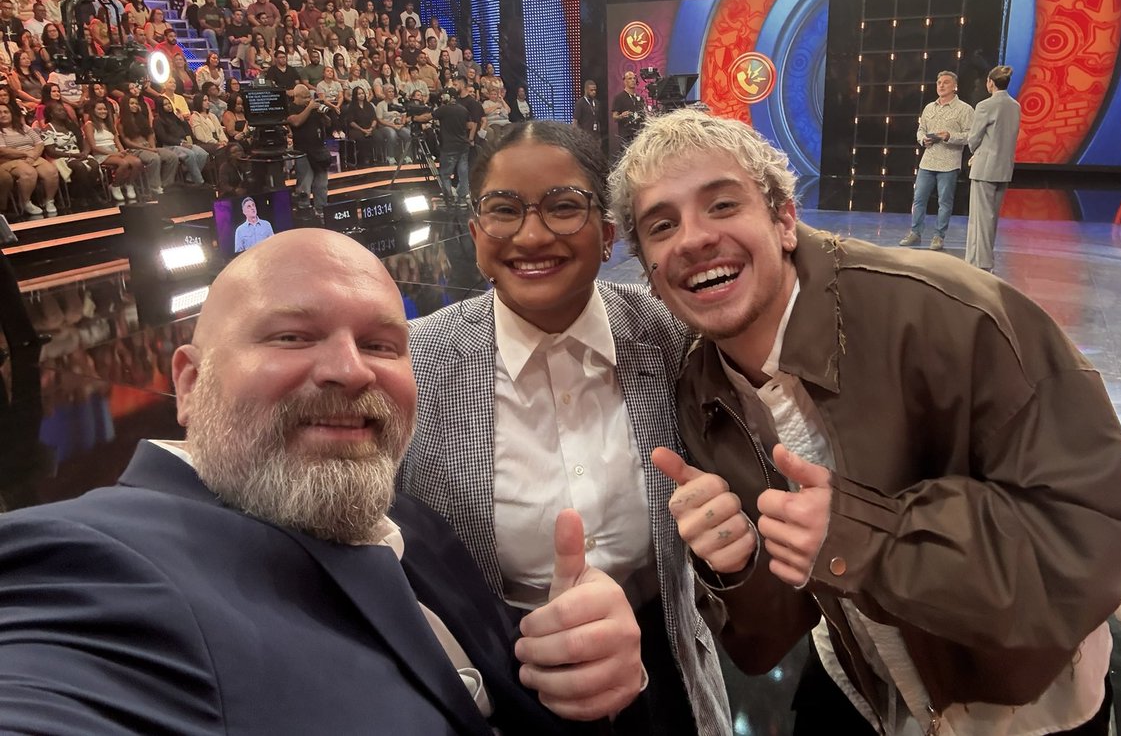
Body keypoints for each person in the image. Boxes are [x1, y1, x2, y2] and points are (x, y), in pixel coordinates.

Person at [607, 108, 1121, 736]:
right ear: (651, 274)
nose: (691, 239)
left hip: (1020, 704)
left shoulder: (952, 315)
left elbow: (1097, 536)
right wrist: (735, 566)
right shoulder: (702, 389)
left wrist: (863, 538)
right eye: (662, 225)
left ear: (785, 220)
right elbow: (769, 639)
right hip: (863, 682)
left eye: (721, 205)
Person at [0, 229, 643, 733]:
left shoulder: (407, 518)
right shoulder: (95, 567)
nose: (350, 369)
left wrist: (581, 663)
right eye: (291, 336)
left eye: (382, 345)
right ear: (191, 383)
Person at [402, 122, 731, 735]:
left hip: (663, 663)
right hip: (499, 678)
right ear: (475, 234)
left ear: (607, 234)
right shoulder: (422, 363)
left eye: (563, 208)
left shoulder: (673, 339)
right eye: (503, 210)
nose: (532, 235)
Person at [898, 71, 973, 251]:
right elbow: (920, 129)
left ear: (954, 86)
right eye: (939, 82)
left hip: (949, 163)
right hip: (928, 161)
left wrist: (949, 136)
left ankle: (938, 236)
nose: (941, 85)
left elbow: (971, 135)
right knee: (919, 199)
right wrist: (923, 139)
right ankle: (915, 232)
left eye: (945, 83)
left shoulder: (965, 109)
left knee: (944, 202)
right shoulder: (929, 107)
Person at [966, 65, 1021, 272]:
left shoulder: (985, 106)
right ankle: (976, 261)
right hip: (1004, 168)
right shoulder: (1015, 106)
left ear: (991, 82)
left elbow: (974, 138)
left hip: (985, 167)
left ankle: (981, 264)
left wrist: (975, 152)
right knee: (991, 218)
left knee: (981, 219)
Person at [288, 83, 331, 214]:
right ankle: (304, 211)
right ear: (297, 97)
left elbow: (328, 124)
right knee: (304, 185)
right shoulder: (292, 107)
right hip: (303, 152)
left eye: (309, 97)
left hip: (319, 151)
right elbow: (295, 122)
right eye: (305, 97)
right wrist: (309, 108)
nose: (308, 100)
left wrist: (322, 114)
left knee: (322, 184)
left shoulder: (312, 109)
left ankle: (321, 211)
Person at [432, 75, 474, 207]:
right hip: (463, 145)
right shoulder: (463, 109)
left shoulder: (444, 109)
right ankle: (462, 196)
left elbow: (430, 116)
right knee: (463, 171)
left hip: (449, 146)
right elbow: (470, 125)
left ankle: (449, 197)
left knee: (445, 174)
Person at [611, 71, 644, 146]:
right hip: (626, 135)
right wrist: (621, 116)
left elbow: (643, 115)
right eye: (629, 78)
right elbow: (614, 117)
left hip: (639, 135)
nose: (633, 80)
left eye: (634, 78)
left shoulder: (639, 98)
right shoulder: (619, 98)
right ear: (625, 81)